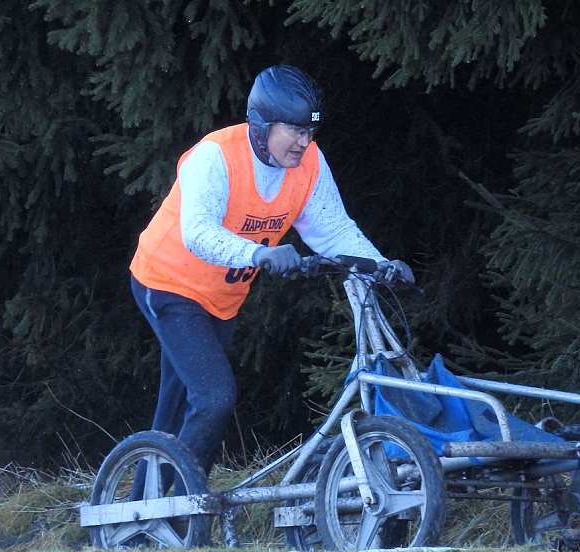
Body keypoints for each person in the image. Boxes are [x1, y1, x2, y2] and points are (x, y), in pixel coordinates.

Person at [128, 64, 413, 485]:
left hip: (220, 300)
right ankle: (184, 508)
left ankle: (141, 512)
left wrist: (381, 265)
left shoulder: (309, 164)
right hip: (167, 283)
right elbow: (198, 233)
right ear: (261, 126)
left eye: (310, 132)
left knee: (178, 406)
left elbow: (332, 228)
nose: (305, 142)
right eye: (295, 131)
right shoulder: (216, 156)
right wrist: (259, 255)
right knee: (214, 398)